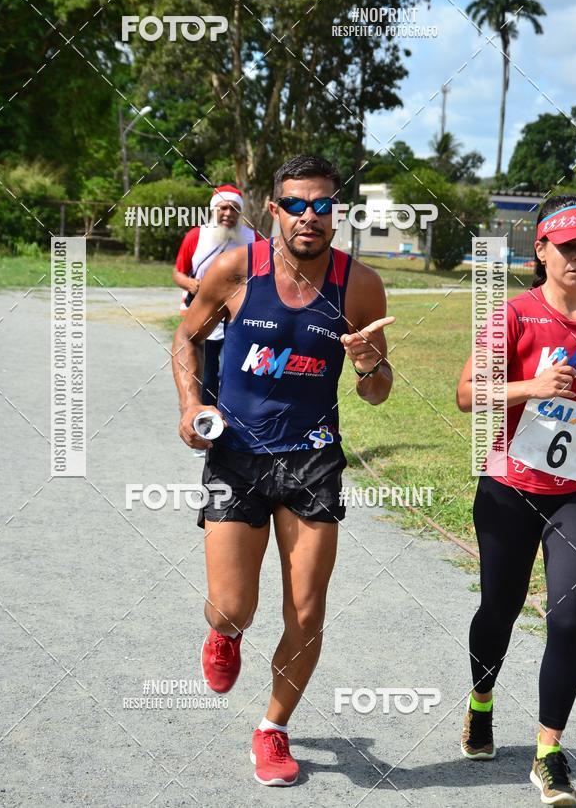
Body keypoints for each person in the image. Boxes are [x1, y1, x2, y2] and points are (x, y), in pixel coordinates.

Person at [172, 154, 394, 786]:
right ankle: (225, 633)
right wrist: (191, 405)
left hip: (312, 458)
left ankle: (272, 728)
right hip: (237, 453)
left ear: (336, 212)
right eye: (295, 204)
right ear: (274, 210)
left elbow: (378, 391)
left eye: (322, 204)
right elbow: (186, 338)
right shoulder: (237, 268)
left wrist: (369, 364)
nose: (308, 216)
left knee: (307, 611)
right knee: (232, 606)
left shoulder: (360, 285)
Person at [456, 195, 576, 805]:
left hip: (574, 494)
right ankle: (481, 702)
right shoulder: (516, 314)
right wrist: (532, 385)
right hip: (508, 486)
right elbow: (466, 393)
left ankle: (548, 750)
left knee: (571, 617)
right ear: (542, 250)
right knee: (499, 610)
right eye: (568, 247)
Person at [173, 184, 260, 406]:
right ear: (213, 210)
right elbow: (178, 272)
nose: (228, 213)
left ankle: (235, 413)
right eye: (223, 208)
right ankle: (206, 414)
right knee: (208, 373)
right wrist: (189, 283)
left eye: (234, 208)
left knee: (235, 370)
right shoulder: (196, 236)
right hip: (204, 315)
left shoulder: (254, 238)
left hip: (241, 317)